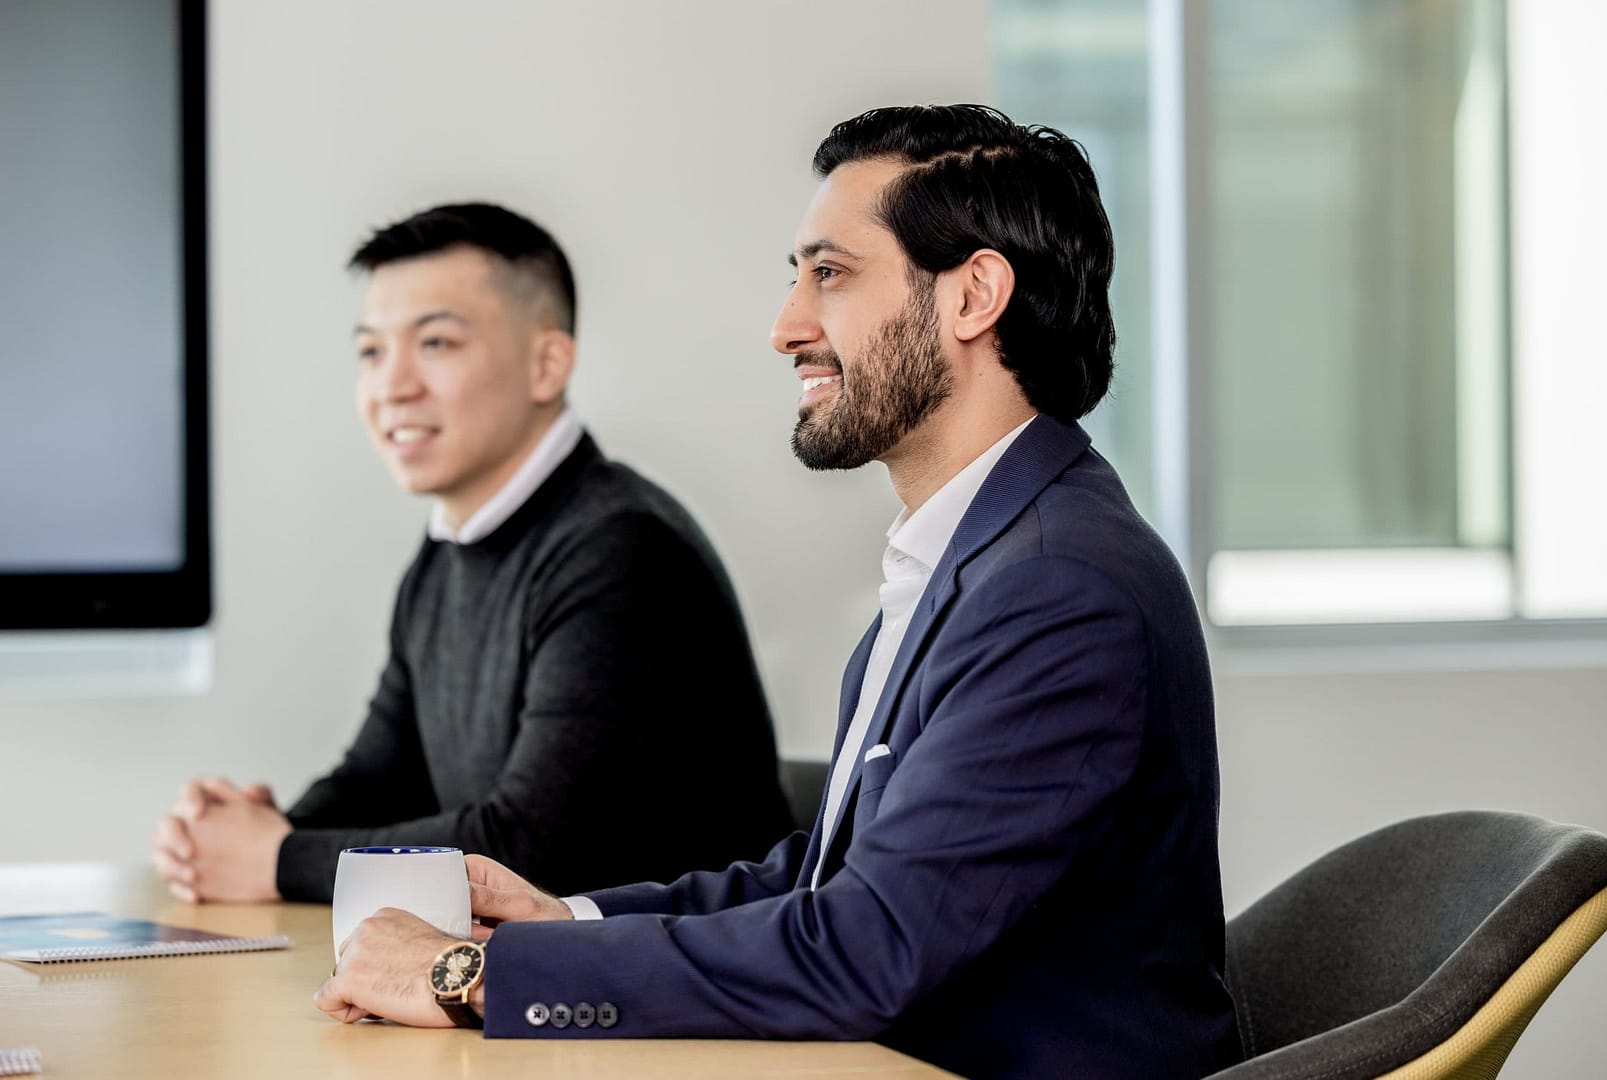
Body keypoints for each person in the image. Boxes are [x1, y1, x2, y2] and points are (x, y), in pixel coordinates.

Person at [316, 110, 1241, 1079]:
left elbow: (860, 951)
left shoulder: (1057, 588)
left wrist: (477, 972)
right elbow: (825, 881)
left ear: (973, 295)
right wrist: (568, 920)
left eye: (829, 274)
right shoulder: (976, 552)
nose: (785, 326)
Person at [150, 203, 791, 904]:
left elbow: (533, 849)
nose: (391, 386)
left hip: (676, 1001)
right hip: (542, 990)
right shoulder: (447, 552)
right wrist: (241, 835)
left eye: (435, 344)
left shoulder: (621, 550)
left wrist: (278, 860)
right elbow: (378, 779)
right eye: (371, 351)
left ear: (547, 365)